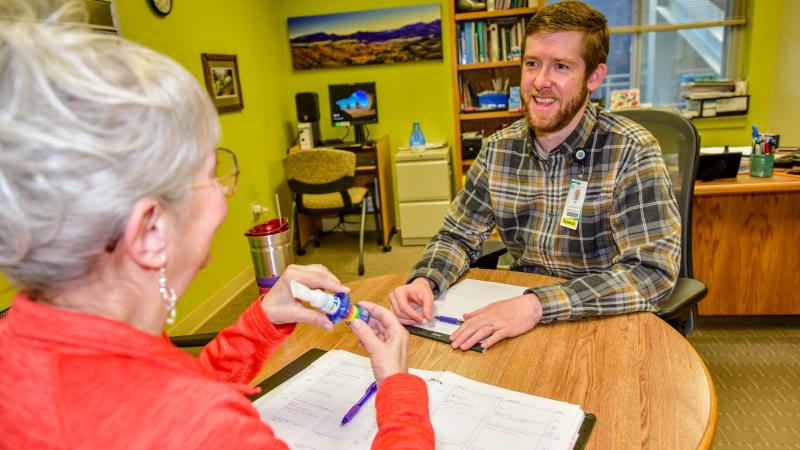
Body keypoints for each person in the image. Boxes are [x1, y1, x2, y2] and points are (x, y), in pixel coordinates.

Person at [0, 2, 434, 448]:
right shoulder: (204, 429)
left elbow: (177, 390)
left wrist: (261, 321)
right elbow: (186, 418)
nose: (226, 194)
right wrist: (398, 389)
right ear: (150, 231)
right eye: (210, 175)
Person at [390, 1, 681, 351]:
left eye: (561, 66)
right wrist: (426, 280)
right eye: (532, 63)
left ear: (593, 77)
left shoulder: (632, 152)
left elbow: (651, 273)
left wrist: (536, 305)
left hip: (599, 320)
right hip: (520, 319)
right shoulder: (498, 149)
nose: (540, 81)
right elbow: (457, 236)